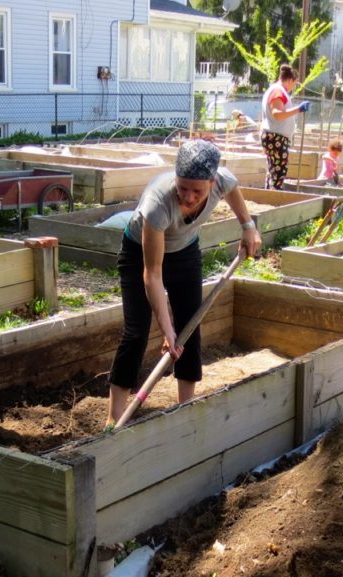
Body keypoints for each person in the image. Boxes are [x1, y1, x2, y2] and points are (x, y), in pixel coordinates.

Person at [106, 139, 262, 425]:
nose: (189, 197)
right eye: (183, 188)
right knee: (136, 333)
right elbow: (152, 275)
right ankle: (114, 418)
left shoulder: (221, 180)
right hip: (140, 255)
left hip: (185, 251)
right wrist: (167, 332)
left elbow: (233, 188)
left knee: (190, 327)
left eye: (197, 191)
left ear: (212, 182)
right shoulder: (157, 205)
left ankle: (185, 410)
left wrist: (248, 227)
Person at [260, 64, 310, 190]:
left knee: (274, 170)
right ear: (289, 80)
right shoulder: (278, 91)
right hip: (276, 137)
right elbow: (277, 114)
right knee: (278, 170)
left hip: (275, 136)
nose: (294, 87)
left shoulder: (277, 90)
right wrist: (298, 109)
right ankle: (274, 196)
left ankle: (269, 195)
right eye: (295, 83)